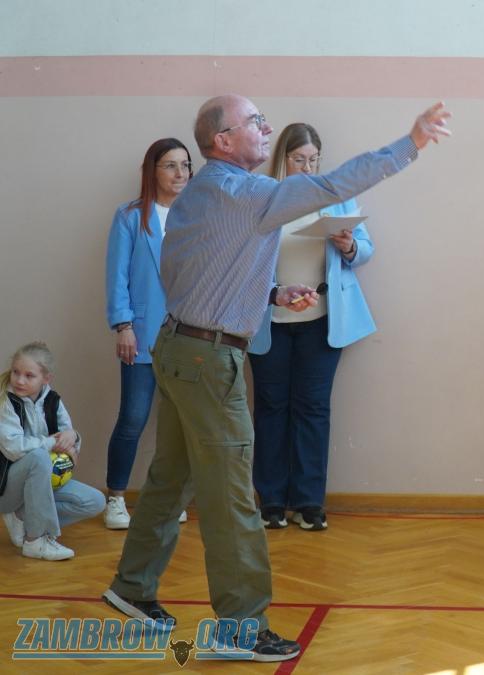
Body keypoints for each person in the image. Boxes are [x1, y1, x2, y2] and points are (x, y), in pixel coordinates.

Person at [102, 94, 451, 662]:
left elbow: (198, 272)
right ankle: (240, 627)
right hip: (207, 361)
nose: (266, 129)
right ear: (223, 140)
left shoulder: (204, 192)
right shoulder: (246, 192)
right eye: (255, 122)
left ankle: (132, 587)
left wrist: (269, 293)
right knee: (232, 495)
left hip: (181, 349)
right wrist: (409, 144)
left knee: (170, 478)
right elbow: (330, 186)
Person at [249, 123, 376, 532]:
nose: (307, 168)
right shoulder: (263, 198)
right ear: (282, 159)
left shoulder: (335, 197)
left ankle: (308, 502)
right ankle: (271, 500)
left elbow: (366, 249)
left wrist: (349, 246)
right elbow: (243, 259)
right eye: (299, 159)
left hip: (322, 321)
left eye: (313, 160)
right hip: (269, 320)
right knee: (271, 408)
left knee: (313, 409)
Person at [103, 138, 194, 530]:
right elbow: (117, 277)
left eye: (185, 165)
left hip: (187, 337)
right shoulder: (130, 217)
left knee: (179, 425)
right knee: (133, 418)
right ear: (152, 171)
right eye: (170, 165)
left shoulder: (198, 216)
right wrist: (123, 326)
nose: (180, 173)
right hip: (141, 334)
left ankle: (169, 499)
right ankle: (115, 499)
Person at [0, 342, 105, 561]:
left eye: (29, 375)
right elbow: (13, 448)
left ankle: (24, 518)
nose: (20, 380)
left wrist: (74, 437)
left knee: (95, 501)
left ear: (46, 379)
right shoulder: (5, 402)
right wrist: (50, 443)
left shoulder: (53, 401)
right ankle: (35, 540)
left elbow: (67, 440)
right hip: (6, 488)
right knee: (38, 456)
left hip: (38, 482)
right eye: (16, 372)